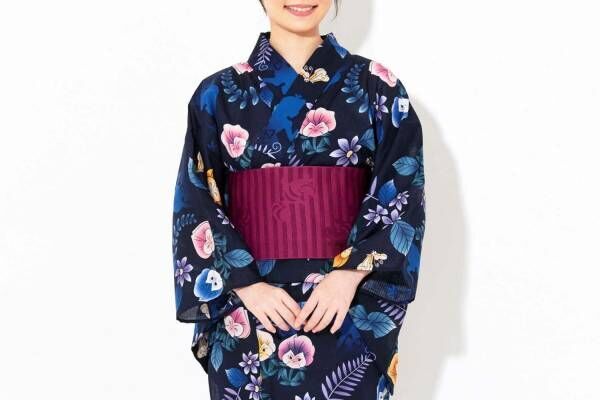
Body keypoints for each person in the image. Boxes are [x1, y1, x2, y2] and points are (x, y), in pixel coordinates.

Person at [171, 1, 426, 398]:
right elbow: (196, 200)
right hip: (248, 314)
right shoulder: (217, 95)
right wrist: (246, 286)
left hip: (347, 309)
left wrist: (348, 276)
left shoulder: (377, 86)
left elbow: (403, 189)